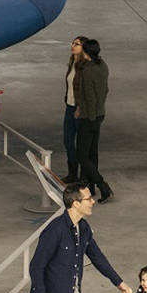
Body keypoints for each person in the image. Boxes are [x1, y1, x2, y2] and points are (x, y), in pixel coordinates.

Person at [75, 37, 113, 203]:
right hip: (99, 114)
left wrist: (87, 116)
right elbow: (105, 90)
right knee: (92, 152)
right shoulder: (102, 66)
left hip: (88, 117)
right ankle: (91, 186)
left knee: (82, 155)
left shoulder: (87, 71)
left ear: (86, 52)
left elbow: (89, 97)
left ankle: (102, 186)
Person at [62, 36, 86, 183]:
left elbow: (85, 90)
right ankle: (72, 173)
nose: (73, 46)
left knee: (81, 143)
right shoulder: (72, 64)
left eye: (77, 44)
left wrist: (80, 106)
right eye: (72, 43)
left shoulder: (85, 67)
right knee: (68, 141)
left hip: (79, 109)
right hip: (69, 107)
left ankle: (83, 175)